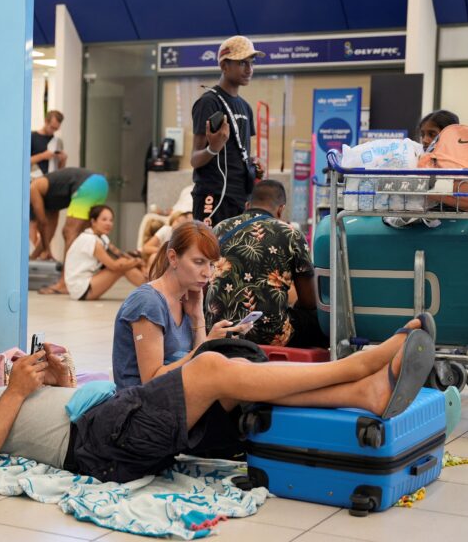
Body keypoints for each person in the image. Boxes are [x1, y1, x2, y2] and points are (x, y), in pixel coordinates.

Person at [0, 314, 436, 482]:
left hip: (109, 416)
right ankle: (360, 363)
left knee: (233, 378)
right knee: (211, 370)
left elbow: (45, 410)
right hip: (97, 442)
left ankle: (364, 390)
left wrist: (57, 377)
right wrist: (13, 392)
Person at [112, 221, 251, 390]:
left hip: (176, 395)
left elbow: (199, 369)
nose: (207, 273)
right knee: (238, 380)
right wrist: (208, 344)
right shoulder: (148, 302)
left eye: (211, 264)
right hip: (142, 405)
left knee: (242, 364)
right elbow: (151, 382)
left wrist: (197, 316)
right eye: (199, 262)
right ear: (173, 258)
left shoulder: (187, 299)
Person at [204, 180, 326, 348]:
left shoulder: (218, 229)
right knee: (323, 321)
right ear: (281, 209)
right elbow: (310, 301)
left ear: (247, 205)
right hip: (270, 334)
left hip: (217, 330)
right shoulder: (290, 233)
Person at [190, 35, 266, 227]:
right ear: (224, 66)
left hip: (241, 197)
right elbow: (194, 159)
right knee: (209, 254)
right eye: (242, 63)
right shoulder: (208, 102)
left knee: (235, 256)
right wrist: (213, 148)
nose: (249, 69)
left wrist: (253, 164)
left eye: (251, 63)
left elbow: (241, 154)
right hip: (213, 196)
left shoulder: (246, 107)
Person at [30, 167, 109, 294]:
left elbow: (42, 223)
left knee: (69, 233)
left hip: (87, 186)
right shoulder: (51, 200)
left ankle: (63, 283)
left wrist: (44, 251)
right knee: (83, 237)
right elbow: (48, 233)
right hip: (101, 184)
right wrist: (37, 255)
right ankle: (81, 278)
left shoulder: (34, 187)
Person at [64, 205, 146, 300]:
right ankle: (154, 291)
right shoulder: (90, 240)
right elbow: (114, 266)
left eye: (111, 220)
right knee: (123, 266)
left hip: (89, 283)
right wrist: (137, 262)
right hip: (81, 289)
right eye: (104, 219)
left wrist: (141, 264)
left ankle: (153, 289)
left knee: (125, 262)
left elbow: (120, 254)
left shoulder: (102, 237)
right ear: (93, 222)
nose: (108, 223)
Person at [31, 110, 67, 178]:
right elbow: (24, 162)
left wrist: (63, 160)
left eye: (56, 129)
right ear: (46, 121)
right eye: (52, 127)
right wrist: (42, 156)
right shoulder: (32, 137)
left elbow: (60, 170)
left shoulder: (57, 141)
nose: (53, 131)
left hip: (51, 181)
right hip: (35, 180)